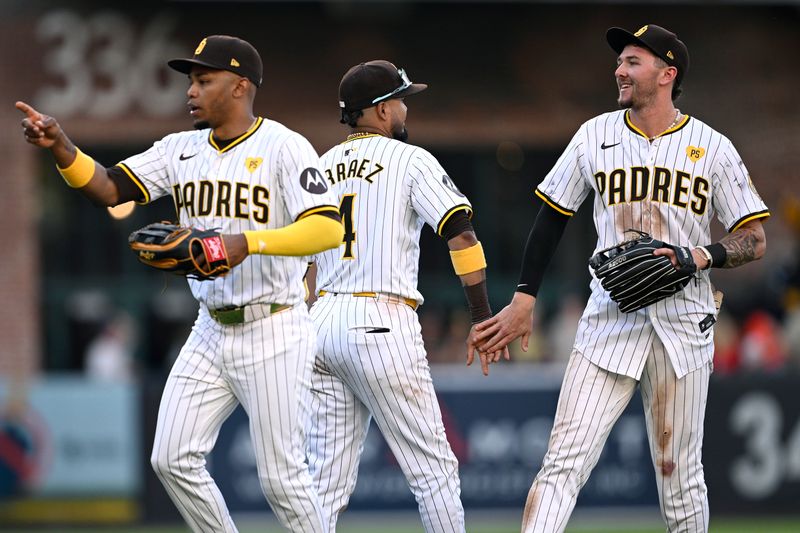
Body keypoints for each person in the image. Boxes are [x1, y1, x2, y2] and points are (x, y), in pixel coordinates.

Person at [17, 34, 343, 532]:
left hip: (274, 327)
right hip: (210, 328)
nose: (190, 91)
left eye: (203, 80)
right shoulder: (179, 149)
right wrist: (63, 148)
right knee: (170, 458)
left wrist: (246, 243)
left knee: (282, 479)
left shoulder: (284, 146)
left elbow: (327, 227)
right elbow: (110, 188)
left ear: (240, 86)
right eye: (190, 81)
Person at [472, 24, 769, 532]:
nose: (619, 70)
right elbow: (551, 218)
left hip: (685, 321)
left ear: (667, 73)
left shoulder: (712, 147)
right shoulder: (595, 135)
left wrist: (701, 254)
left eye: (632, 61)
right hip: (610, 317)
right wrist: (524, 296)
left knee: (679, 475)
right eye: (620, 62)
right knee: (564, 461)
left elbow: (754, 239)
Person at [305, 60, 507, 532]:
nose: (404, 108)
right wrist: (481, 314)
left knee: (323, 482)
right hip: (379, 317)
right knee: (433, 470)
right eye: (399, 99)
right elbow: (460, 234)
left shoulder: (319, 166)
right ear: (377, 111)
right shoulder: (410, 159)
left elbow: (306, 264)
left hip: (321, 321)